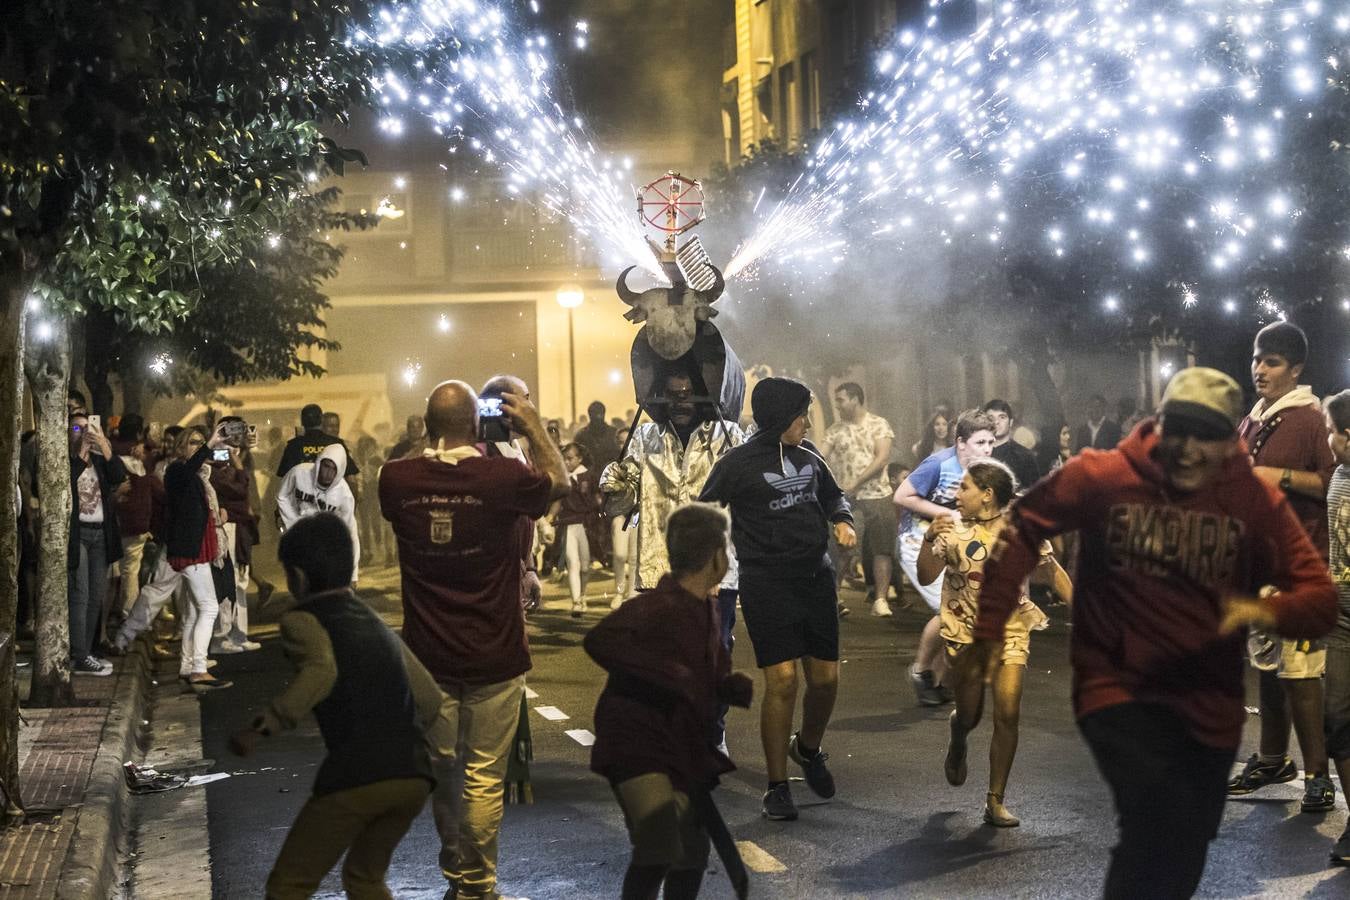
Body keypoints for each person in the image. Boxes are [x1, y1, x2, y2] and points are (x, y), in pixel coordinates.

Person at [971, 366, 1337, 899]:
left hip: (1208, 704)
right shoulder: (1104, 475)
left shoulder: (1250, 500)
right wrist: (987, 629)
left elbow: (1319, 598)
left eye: (1206, 436)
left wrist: (1256, 611)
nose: (1188, 448)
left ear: (1227, 441)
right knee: (1152, 823)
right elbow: (1026, 523)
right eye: (1178, 430)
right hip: (1117, 690)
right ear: (1160, 424)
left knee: (1184, 849)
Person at [379, 379, 568, 899]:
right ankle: (476, 887)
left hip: (427, 658)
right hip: (496, 652)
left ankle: (455, 874)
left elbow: (423, 472)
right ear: (478, 424)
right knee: (483, 777)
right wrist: (530, 423)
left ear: (424, 423)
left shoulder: (395, 480)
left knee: (444, 772)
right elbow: (560, 483)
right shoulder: (503, 477)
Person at [228, 513, 451, 900]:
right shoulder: (373, 619)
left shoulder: (302, 620)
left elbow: (321, 670)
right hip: (413, 776)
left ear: (298, 577)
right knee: (365, 879)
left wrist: (263, 727)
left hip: (357, 775)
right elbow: (430, 699)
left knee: (289, 885)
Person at [698, 377, 856, 822]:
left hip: (815, 580)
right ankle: (777, 787)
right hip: (767, 582)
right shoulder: (737, 463)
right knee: (783, 681)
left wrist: (842, 520)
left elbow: (833, 495)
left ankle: (806, 749)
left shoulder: (810, 457)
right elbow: (706, 510)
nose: (806, 422)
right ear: (782, 418)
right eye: (801, 414)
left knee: (825, 682)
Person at [585, 503, 754, 900]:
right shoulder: (656, 605)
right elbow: (599, 641)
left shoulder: (708, 610)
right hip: (636, 743)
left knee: (692, 851)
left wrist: (727, 686)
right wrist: (668, 675)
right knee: (659, 843)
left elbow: (705, 671)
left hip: (681, 746)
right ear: (716, 556)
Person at [918, 459, 1069, 828]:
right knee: (970, 715)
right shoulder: (950, 531)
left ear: (987, 495)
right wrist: (927, 539)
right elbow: (925, 575)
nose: (956, 494)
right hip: (965, 632)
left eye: (964, 487)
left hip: (1011, 630)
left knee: (1008, 712)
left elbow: (1053, 573)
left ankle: (995, 800)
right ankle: (959, 734)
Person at [1226, 321, 1338, 813]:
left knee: (1301, 673)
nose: (1259, 369)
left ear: (1296, 369)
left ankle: (1318, 776)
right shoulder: (1253, 419)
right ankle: (1274, 759)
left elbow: (1336, 482)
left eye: (1271, 361)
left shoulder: (1312, 419)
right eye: (1256, 359)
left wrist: (1279, 476)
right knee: (1268, 668)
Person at [600, 371, 743, 624]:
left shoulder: (726, 435)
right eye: (672, 396)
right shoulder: (645, 438)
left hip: (715, 575)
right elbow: (623, 504)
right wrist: (616, 485)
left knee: (713, 654)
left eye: (686, 395)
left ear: (701, 395)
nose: (679, 403)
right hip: (660, 572)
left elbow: (744, 499)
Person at [113, 424, 234, 690]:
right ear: (181, 446)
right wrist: (211, 443)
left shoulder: (199, 474)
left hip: (196, 547)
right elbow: (188, 476)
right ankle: (198, 669)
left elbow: (208, 497)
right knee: (206, 606)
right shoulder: (178, 470)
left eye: (200, 442)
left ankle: (190, 665)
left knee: (193, 610)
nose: (198, 446)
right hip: (187, 550)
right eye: (192, 442)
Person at [894, 409, 996, 706]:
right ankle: (921, 671)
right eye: (980, 443)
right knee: (951, 609)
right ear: (961, 442)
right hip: (918, 540)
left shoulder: (984, 468)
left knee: (963, 611)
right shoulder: (939, 464)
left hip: (953, 544)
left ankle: (935, 683)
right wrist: (946, 512)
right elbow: (901, 496)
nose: (987, 449)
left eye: (990, 442)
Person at [819, 383, 897, 617]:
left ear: (855, 399)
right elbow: (820, 456)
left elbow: (882, 458)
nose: (838, 405)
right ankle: (833, 595)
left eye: (841, 399)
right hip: (846, 498)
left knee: (882, 548)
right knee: (843, 546)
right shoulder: (835, 430)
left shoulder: (878, 425)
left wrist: (857, 482)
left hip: (877, 494)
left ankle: (881, 600)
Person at [67, 412, 126, 674]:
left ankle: (87, 652)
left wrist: (103, 445)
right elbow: (66, 483)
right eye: (76, 428)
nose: (82, 432)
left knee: (96, 595)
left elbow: (118, 476)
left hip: (100, 534)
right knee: (80, 594)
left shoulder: (100, 462)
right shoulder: (66, 461)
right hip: (77, 534)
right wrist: (81, 455)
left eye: (87, 427)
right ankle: (78, 654)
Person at [1322, 389, 1350, 864]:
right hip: (1343, 621)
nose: (1327, 439)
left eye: (1329, 431)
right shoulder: (1339, 478)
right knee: (1338, 719)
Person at [210, 417, 263, 653]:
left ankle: (239, 634)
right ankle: (220, 637)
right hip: (226, 524)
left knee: (240, 581)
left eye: (240, 429)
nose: (237, 434)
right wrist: (237, 461)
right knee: (226, 582)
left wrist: (245, 455)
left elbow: (248, 487)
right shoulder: (216, 456)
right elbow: (235, 487)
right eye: (230, 430)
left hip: (241, 525)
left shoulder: (242, 455)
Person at [277, 444, 360, 584]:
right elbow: (282, 495)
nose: (329, 473)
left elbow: (350, 532)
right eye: (326, 466)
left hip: (326, 542)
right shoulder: (299, 472)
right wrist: (293, 522)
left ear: (340, 471)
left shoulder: (344, 494)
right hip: (301, 537)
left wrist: (353, 575)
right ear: (319, 463)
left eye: (334, 469)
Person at [552, 443, 603, 617]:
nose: (566, 462)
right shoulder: (562, 478)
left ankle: (583, 596)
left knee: (585, 566)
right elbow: (557, 501)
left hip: (586, 525)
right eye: (564, 459)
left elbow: (598, 498)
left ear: (579, 458)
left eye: (570, 458)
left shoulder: (589, 476)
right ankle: (576, 602)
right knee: (573, 563)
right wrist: (550, 518)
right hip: (568, 524)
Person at [276, 403, 360, 481]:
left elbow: (284, 477)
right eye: (331, 426)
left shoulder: (293, 445)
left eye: (336, 426)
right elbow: (351, 477)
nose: (335, 429)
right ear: (321, 420)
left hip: (302, 495)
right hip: (331, 495)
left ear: (302, 421)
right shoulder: (336, 444)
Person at [983, 399, 1040, 491]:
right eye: (991, 418)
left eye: (1002, 417)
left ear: (1011, 422)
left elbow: (1034, 494)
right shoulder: (976, 454)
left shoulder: (1025, 456)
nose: (996, 422)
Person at [573, 400, 621, 473]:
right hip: (588, 477)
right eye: (595, 414)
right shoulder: (581, 436)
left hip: (609, 475)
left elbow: (620, 456)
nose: (598, 417)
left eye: (600, 414)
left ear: (603, 414)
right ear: (590, 415)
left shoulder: (614, 434)